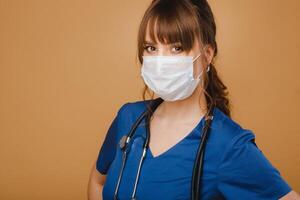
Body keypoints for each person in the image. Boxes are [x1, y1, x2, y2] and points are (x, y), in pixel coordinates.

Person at [88, 0, 300, 199]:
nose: (161, 61)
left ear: (207, 54)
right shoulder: (128, 118)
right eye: (151, 48)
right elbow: (98, 181)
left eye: (177, 48)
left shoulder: (227, 145)